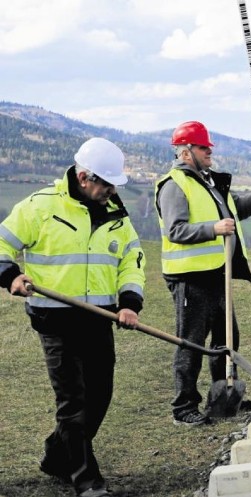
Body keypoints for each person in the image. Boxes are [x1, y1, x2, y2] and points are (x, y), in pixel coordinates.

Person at [0, 138, 145, 497]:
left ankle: (57, 456)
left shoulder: (115, 213)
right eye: (106, 183)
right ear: (83, 177)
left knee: (99, 395)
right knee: (74, 401)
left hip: (98, 318)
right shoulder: (39, 207)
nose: (112, 190)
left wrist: (129, 302)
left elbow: (131, 259)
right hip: (55, 321)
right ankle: (86, 480)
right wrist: (11, 276)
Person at [155, 120, 251, 426]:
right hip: (190, 277)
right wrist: (213, 228)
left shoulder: (210, 183)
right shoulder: (174, 185)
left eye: (208, 146)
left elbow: (239, 209)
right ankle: (183, 407)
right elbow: (176, 230)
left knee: (227, 339)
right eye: (202, 147)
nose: (209, 152)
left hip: (216, 274)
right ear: (185, 153)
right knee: (192, 342)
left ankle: (222, 395)